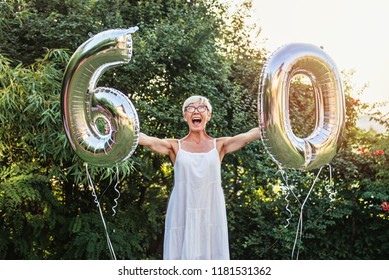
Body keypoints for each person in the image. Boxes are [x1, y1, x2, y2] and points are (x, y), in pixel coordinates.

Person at [138, 95, 261, 260]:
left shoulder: (219, 145)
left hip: (211, 210)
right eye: (190, 108)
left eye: (201, 108)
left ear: (208, 115)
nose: (196, 111)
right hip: (182, 210)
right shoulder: (174, 146)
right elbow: (148, 140)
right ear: (185, 116)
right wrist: (122, 127)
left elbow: (247, 137)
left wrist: (270, 123)